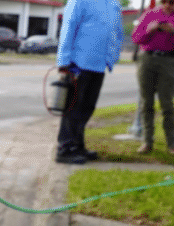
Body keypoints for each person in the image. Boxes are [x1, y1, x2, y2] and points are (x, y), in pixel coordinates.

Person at [54, 0, 125, 165]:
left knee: (87, 107)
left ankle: (78, 145)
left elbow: (117, 32)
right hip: (79, 63)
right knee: (73, 107)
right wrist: (63, 61)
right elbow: (68, 27)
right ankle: (65, 148)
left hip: (99, 64)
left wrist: (112, 57)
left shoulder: (114, 4)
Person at [131, 0, 174, 154]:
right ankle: (147, 142)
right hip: (148, 59)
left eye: (171, 2)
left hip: (169, 60)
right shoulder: (150, 14)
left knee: (167, 103)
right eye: (164, 1)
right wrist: (149, 30)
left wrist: (172, 31)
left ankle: (171, 144)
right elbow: (136, 38)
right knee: (147, 103)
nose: (168, 5)